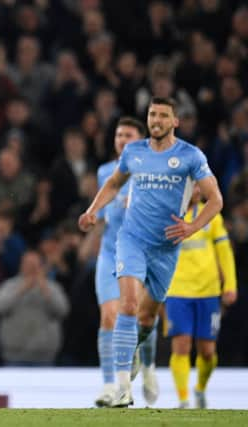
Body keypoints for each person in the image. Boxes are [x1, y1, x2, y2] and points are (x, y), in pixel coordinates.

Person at [78, 97, 223, 407]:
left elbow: (215, 199)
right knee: (127, 305)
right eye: (152, 114)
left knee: (147, 317)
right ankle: (120, 388)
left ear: (175, 121)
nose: (156, 119)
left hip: (166, 248)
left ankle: (133, 358)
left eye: (163, 115)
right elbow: (115, 183)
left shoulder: (190, 156)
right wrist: (92, 211)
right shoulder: (134, 152)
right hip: (132, 239)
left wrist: (192, 227)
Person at [92, 117, 160, 407]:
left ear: (140, 140)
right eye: (118, 134)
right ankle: (112, 387)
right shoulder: (105, 172)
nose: (121, 139)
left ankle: (148, 366)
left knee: (139, 316)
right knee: (109, 316)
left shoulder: (152, 172)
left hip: (141, 252)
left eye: (128, 135)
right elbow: (106, 213)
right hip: (110, 252)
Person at [165, 183, 237, 408]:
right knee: (182, 345)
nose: (196, 190)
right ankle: (184, 399)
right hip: (177, 290)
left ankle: (200, 389)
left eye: (198, 186)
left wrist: (230, 285)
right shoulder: (167, 215)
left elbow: (224, 252)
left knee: (207, 352)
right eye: (191, 186)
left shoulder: (211, 216)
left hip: (208, 291)